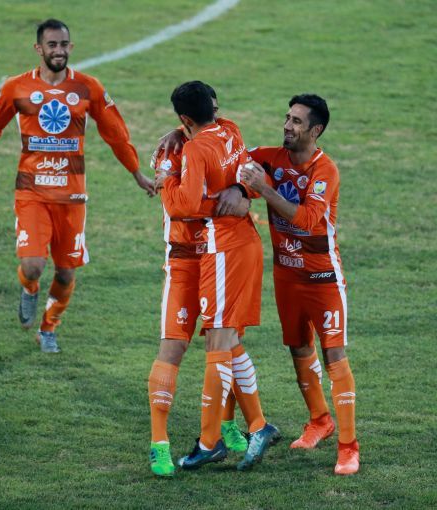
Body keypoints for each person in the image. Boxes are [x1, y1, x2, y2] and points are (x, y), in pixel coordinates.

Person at [0, 19, 154, 353]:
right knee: (33, 265)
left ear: (71, 47)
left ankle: (48, 328)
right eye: (52, 45)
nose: (59, 51)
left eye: (64, 44)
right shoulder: (16, 87)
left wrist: (137, 174)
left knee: (66, 273)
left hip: (72, 196)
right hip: (32, 192)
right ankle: (29, 288)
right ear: (38, 49)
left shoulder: (88, 88)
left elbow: (116, 134)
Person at [154, 81, 280, 473]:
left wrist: (165, 182)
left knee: (219, 343)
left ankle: (211, 441)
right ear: (213, 109)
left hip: (223, 248)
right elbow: (246, 171)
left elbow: (185, 205)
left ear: (184, 117)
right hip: (230, 245)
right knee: (224, 341)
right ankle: (256, 425)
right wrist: (240, 190)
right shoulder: (230, 129)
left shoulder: (192, 150)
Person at [240, 94, 359, 475]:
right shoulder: (269, 158)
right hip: (287, 275)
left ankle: (348, 447)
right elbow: (226, 157)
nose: (287, 126)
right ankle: (320, 421)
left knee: (334, 356)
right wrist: (182, 133)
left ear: (315, 130)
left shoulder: (325, 171)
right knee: (298, 348)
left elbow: (307, 219)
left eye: (296, 122)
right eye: (287, 118)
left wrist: (264, 190)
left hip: (323, 279)